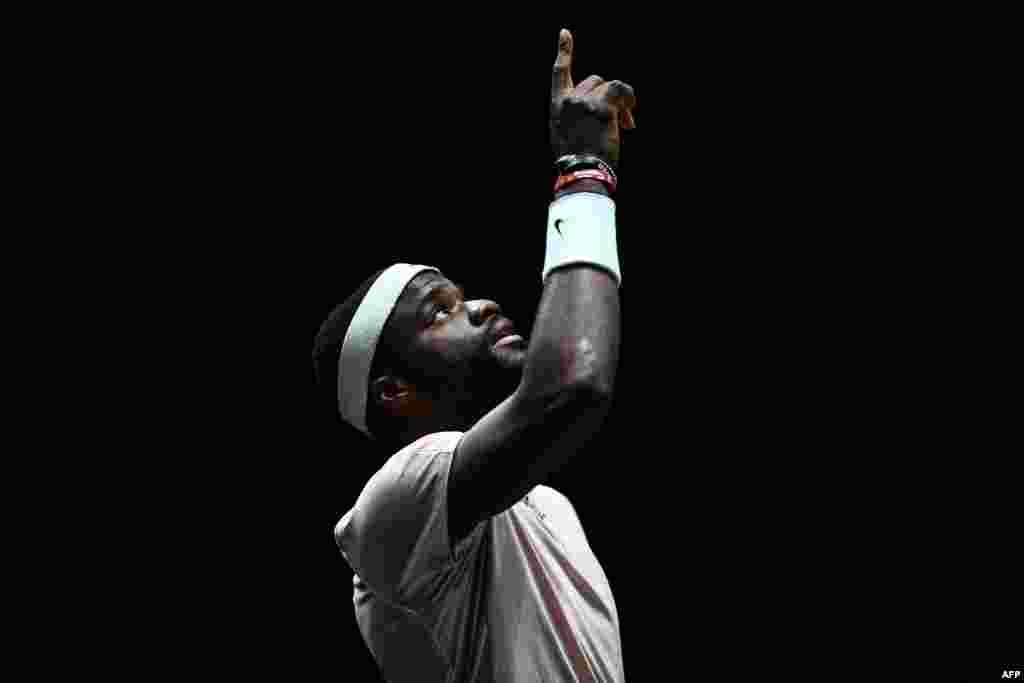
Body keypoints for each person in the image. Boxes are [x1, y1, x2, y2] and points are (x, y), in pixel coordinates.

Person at [312, 29, 637, 682]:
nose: (482, 306)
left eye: (463, 297)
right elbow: (574, 382)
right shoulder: (394, 506)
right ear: (394, 391)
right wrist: (582, 172)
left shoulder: (548, 507)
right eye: (440, 311)